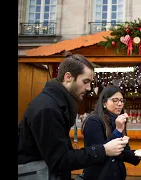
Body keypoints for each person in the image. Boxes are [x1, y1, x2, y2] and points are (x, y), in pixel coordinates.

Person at [18, 51, 129, 180]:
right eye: (86, 81)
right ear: (68, 77)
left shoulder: (56, 104)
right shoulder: (48, 109)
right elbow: (60, 160)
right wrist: (104, 150)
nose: (88, 88)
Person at [81, 85, 141, 180]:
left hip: (117, 174)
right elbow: (99, 152)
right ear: (104, 102)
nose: (120, 104)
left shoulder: (118, 120)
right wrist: (118, 130)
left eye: (122, 101)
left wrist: (140, 154)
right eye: (115, 100)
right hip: (98, 175)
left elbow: (123, 152)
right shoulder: (93, 121)